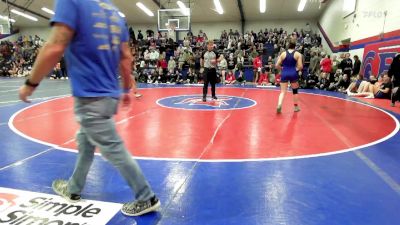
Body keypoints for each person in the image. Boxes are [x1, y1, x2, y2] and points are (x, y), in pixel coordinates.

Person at [18, 0, 160, 217]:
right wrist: (123, 90)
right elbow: (125, 57)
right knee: (85, 140)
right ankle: (73, 188)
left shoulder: (71, 2)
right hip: (109, 94)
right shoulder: (114, 13)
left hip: (89, 96)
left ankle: (146, 196)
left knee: (113, 147)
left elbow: (56, 45)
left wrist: (31, 83)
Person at [275, 39, 303, 113]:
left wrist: (282, 69)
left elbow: (276, 65)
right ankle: (296, 107)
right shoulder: (298, 54)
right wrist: (295, 70)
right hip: (293, 73)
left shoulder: (283, 54)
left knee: (282, 92)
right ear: (295, 46)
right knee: (295, 91)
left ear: (288, 45)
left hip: (285, 73)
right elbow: (300, 66)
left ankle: (279, 104)